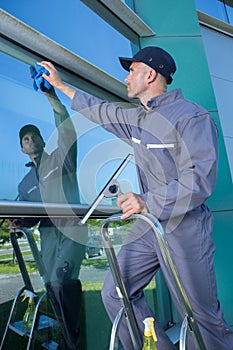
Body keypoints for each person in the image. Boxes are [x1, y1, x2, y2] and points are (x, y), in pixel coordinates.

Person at [37, 47, 233, 350]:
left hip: (185, 228)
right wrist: (61, 86)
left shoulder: (191, 116)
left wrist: (147, 201)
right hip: (149, 227)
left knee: (199, 315)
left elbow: (199, 179)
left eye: (132, 70)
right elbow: (101, 110)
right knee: (116, 291)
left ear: (151, 74)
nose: (127, 77)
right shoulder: (139, 118)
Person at [9, 83, 87, 350]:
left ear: (43, 140)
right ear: (22, 149)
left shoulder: (60, 159)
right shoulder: (24, 184)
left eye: (34, 136)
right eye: (25, 140)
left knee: (58, 280)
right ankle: (66, 334)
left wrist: (54, 100)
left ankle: (72, 337)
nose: (31, 141)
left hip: (72, 229)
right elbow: (30, 214)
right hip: (48, 235)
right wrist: (18, 221)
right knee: (50, 285)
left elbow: (67, 132)